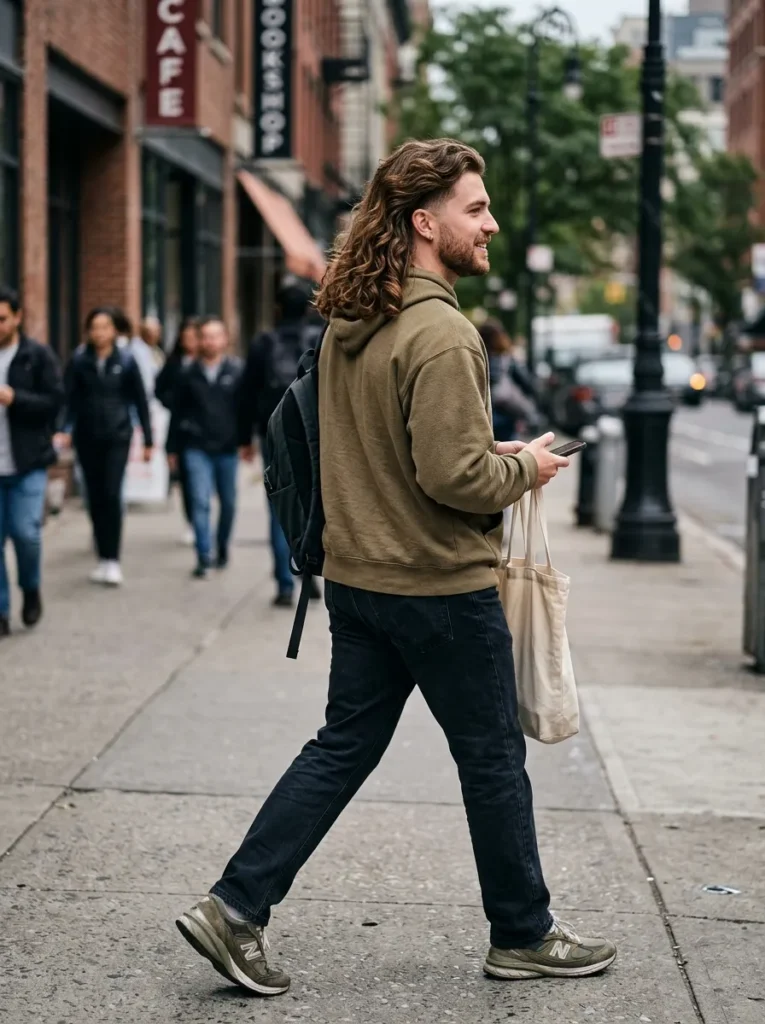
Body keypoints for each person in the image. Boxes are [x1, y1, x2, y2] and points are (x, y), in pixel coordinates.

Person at [176, 138, 615, 994]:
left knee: (340, 747)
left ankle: (235, 907)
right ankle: (521, 934)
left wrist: (479, 450)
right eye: (475, 209)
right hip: (439, 588)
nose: (489, 223)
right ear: (425, 222)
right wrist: (524, 465)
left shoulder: (353, 319)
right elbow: (454, 477)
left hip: (358, 581)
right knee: (490, 760)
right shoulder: (443, 333)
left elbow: (387, 445)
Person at [238, 282, 323, 607]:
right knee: (312, 503)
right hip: (313, 433)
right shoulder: (318, 337)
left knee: (279, 504)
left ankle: (286, 583)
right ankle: (309, 572)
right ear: (307, 307)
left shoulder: (263, 342)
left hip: (273, 434)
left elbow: (246, 393)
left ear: (276, 308)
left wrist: (244, 438)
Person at [58, 307, 153, 586]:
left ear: (114, 331)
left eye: (104, 327)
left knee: (112, 494)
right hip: (87, 437)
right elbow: (70, 400)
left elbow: (140, 400)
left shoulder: (126, 360)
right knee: (94, 497)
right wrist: (63, 429)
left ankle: (112, 559)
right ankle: (101, 555)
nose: (99, 333)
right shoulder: (79, 361)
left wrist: (148, 440)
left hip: (117, 436)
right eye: (94, 327)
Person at [0, 286, 64, 637]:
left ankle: (30, 587)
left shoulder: (35, 356)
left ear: (17, 318)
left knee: (26, 534)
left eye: (2, 319)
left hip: (27, 463)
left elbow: (55, 402)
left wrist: (16, 399)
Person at [167, 317, 242, 579]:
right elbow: (176, 413)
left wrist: (245, 442)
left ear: (225, 339)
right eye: (205, 336)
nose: (210, 341)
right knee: (200, 501)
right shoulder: (187, 373)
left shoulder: (236, 371)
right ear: (199, 340)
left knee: (229, 504)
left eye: (215, 335)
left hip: (227, 448)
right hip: (195, 447)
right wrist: (171, 449)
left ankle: (221, 546)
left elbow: (244, 411)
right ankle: (204, 555)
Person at [156, 318, 200, 545]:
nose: (190, 342)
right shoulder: (174, 363)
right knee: (186, 480)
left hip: (207, 431)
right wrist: (173, 403)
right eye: (186, 338)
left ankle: (201, 521)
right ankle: (193, 522)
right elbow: (159, 389)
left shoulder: (206, 362)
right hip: (181, 430)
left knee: (201, 485)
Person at [478, 318, 540, 441]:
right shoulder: (506, 359)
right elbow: (526, 383)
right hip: (505, 414)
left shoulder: (476, 358)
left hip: (483, 415)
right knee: (509, 449)